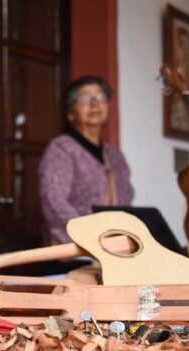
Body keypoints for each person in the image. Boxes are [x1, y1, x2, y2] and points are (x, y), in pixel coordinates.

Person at [38, 76, 134, 244]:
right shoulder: (61, 148)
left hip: (113, 248)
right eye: (84, 98)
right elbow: (54, 202)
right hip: (73, 249)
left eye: (100, 97)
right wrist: (91, 234)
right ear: (70, 114)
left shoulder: (115, 155)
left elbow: (126, 202)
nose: (94, 104)